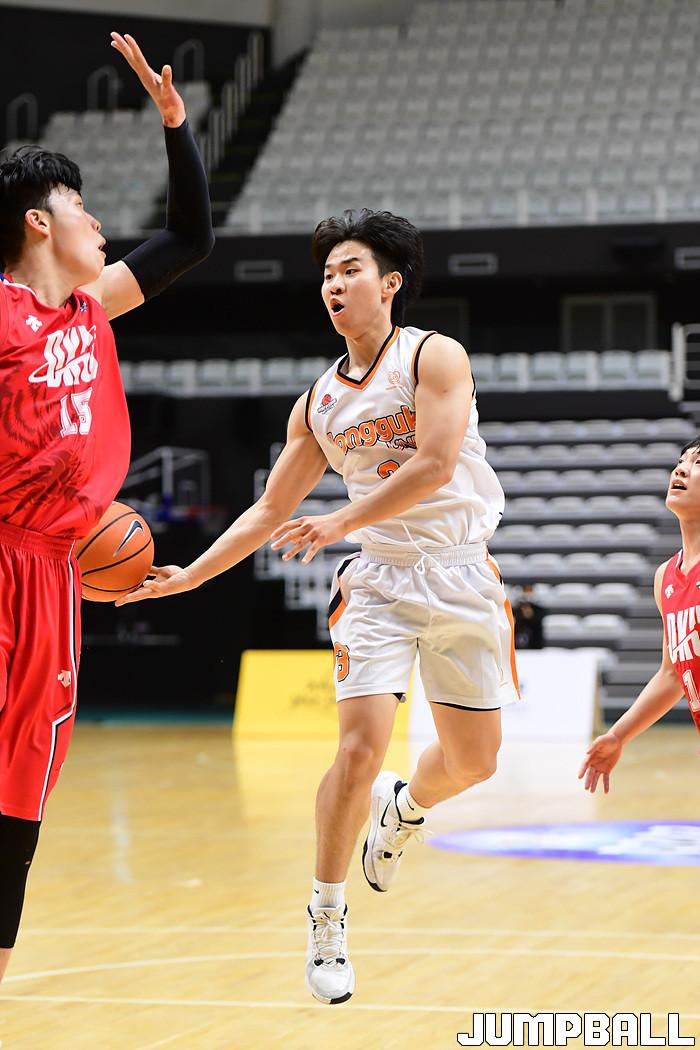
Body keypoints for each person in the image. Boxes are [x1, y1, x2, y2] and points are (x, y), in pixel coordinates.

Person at [117, 208, 519, 1005]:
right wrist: (193, 575)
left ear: (390, 283)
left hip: (462, 576)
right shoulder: (319, 404)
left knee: (475, 762)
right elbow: (270, 511)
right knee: (359, 748)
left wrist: (338, 520)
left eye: (351, 270)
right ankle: (327, 915)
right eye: (327, 274)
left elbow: (437, 464)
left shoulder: (434, 356)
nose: (334, 285)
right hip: (378, 582)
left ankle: (406, 808)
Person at [0, 33, 213, 982]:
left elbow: (190, 240)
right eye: (80, 208)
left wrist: (176, 126)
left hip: (55, 573)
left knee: (21, 790)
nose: (97, 222)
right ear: (36, 222)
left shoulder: (92, 306)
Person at [579, 436, 700, 795]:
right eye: (681, 461)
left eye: (698, 464)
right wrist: (618, 735)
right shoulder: (666, 576)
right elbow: (671, 675)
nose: (681, 470)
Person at [513, 583, 545, 649]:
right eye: (525, 590)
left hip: (534, 645)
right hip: (517, 645)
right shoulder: (515, 609)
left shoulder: (538, 609)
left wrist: (531, 616)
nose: (527, 594)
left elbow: (538, 626)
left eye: (529, 590)